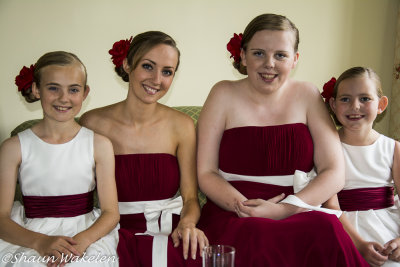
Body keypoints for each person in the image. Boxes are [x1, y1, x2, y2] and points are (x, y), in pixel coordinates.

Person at [196, 13, 369, 266]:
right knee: (256, 236)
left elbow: (334, 172)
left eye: (280, 55)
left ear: (295, 59)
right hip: (235, 211)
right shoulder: (222, 93)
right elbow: (206, 172)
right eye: (258, 53)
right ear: (243, 56)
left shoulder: (308, 94)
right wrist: (247, 208)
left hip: (298, 207)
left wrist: (286, 209)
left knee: (326, 228)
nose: (269, 64)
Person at [80, 31, 208, 267]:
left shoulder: (182, 125)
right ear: (127, 64)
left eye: (167, 72)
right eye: (148, 66)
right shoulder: (92, 123)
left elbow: (190, 198)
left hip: (170, 233)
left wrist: (187, 224)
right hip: (112, 234)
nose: (157, 80)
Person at [0, 51, 120, 267]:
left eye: (73, 89)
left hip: (84, 234)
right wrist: (40, 242)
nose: (64, 98)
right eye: (53, 88)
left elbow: (111, 213)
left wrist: (81, 243)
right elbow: (1, 218)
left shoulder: (99, 145)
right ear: (37, 89)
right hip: (32, 235)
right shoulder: (13, 147)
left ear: (85, 93)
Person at [321, 67, 400, 267]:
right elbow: (330, 205)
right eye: (345, 99)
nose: (355, 106)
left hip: (388, 230)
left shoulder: (393, 148)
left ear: (381, 104)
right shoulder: (326, 148)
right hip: (342, 228)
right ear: (333, 104)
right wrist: (358, 244)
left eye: (365, 98)